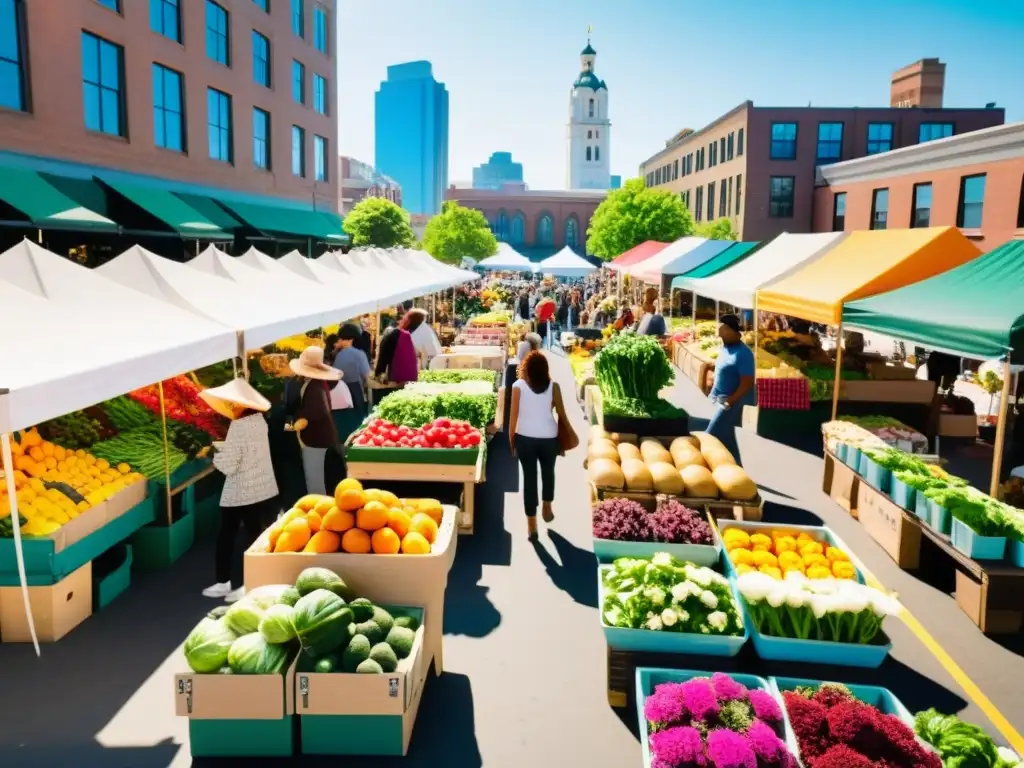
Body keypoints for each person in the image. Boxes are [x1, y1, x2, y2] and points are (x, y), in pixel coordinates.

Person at [200, 378, 279, 603]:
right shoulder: (259, 421)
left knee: (227, 535)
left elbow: (230, 465)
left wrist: (214, 456)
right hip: (261, 486)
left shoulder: (238, 426)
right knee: (254, 534)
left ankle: (224, 581)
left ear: (237, 404)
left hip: (240, 490)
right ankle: (255, 581)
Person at [508, 351, 572, 539]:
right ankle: (547, 505)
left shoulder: (517, 386)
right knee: (548, 472)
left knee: (529, 479)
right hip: (549, 438)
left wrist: (511, 441)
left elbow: (513, 419)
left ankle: (532, 526)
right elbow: (562, 415)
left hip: (525, 438)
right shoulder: (554, 387)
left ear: (525, 368)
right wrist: (564, 439)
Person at [288, 345, 341, 495]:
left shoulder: (316, 387)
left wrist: (294, 423)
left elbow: (315, 413)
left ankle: (319, 510)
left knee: (316, 481)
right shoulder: (317, 383)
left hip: (316, 441)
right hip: (322, 439)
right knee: (320, 477)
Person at [707, 314, 755, 464]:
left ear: (735, 332)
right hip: (720, 398)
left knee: (711, 434)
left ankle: (709, 468)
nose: (721, 332)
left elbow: (747, 382)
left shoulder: (744, 353)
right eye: (721, 329)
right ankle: (737, 468)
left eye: (725, 329)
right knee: (727, 438)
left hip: (732, 402)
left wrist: (731, 400)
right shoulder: (726, 347)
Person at [330, 324, 372, 442]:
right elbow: (367, 375)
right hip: (354, 390)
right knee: (357, 422)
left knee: (342, 422)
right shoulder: (359, 354)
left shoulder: (337, 354)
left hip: (337, 391)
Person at [374, 309, 421, 384]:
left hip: (396, 381)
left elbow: (384, 357)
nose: (402, 318)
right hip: (413, 380)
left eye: (405, 317)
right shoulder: (418, 336)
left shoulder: (395, 334)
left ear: (407, 320)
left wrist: (378, 373)